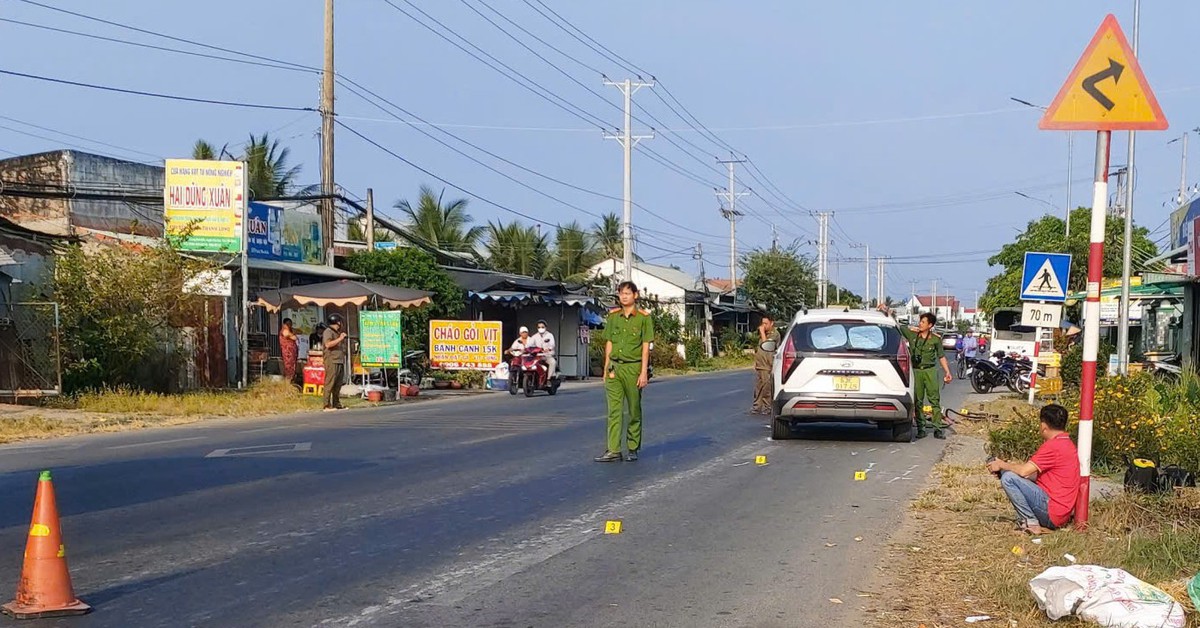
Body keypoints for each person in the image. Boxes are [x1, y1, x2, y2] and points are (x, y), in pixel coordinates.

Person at [987, 404, 1080, 534]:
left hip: (1052, 510)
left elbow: (1024, 471)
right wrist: (1006, 469)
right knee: (1010, 475)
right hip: (1061, 512)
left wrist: (1002, 465)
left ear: (1043, 426)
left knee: (1009, 479)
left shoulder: (1053, 446)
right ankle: (1032, 522)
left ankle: (1030, 523)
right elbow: (1032, 475)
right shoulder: (1067, 444)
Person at [595, 281, 654, 463]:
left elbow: (646, 347)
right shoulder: (613, 317)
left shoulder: (643, 318)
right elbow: (609, 343)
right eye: (621, 293)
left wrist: (643, 372)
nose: (624, 296)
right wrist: (606, 368)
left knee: (634, 409)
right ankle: (613, 449)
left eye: (628, 293)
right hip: (614, 367)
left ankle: (632, 447)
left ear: (635, 295)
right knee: (614, 410)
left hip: (633, 367)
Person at [880, 305, 953, 439]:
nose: (920, 324)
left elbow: (941, 357)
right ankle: (921, 428)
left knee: (934, 400)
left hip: (930, 371)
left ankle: (937, 428)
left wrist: (947, 372)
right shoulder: (912, 335)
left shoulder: (936, 339)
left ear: (930, 325)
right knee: (918, 401)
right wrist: (887, 311)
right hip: (916, 371)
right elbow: (898, 325)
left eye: (923, 322)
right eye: (920, 321)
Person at [751, 316, 780, 415]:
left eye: (766, 323)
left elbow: (766, 346)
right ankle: (757, 407)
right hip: (760, 365)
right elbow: (759, 350)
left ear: (771, 323)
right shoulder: (764, 335)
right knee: (758, 388)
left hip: (768, 365)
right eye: (762, 323)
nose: (763, 326)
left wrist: (762, 332)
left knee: (767, 387)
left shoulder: (775, 334)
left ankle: (767, 407)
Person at [321, 314, 349, 411]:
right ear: (337, 322)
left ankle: (336, 403)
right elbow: (328, 344)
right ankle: (326, 405)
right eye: (339, 322)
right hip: (331, 360)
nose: (340, 324)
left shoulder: (337, 332)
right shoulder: (328, 332)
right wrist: (340, 339)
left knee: (338, 383)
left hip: (339, 360)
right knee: (330, 382)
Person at [279, 317, 299, 385]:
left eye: (290, 324)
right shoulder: (285, 330)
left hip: (292, 352)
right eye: (288, 324)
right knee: (288, 367)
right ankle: (287, 382)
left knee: (292, 367)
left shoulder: (290, 330)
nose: (290, 325)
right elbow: (293, 337)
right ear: (285, 324)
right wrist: (292, 334)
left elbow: (299, 332)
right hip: (288, 353)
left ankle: (290, 381)